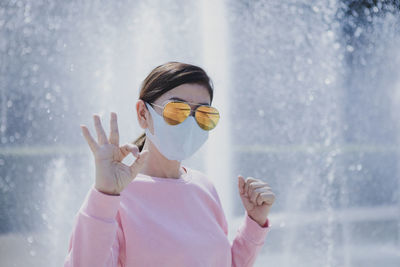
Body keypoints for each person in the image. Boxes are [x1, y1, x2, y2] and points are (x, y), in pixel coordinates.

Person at [63, 62, 275, 267]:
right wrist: (104, 195)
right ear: (143, 114)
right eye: (176, 110)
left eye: (204, 115)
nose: (190, 122)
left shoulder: (205, 188)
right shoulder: (114, 196)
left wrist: (254, 223)